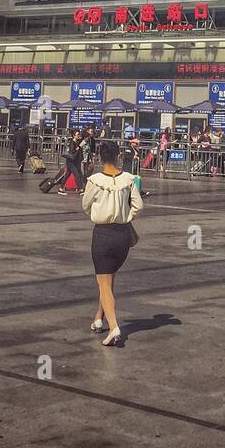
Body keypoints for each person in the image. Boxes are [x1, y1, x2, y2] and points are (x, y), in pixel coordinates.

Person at [83, 140, 143, 348]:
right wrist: (126, 215)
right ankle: (98, 318)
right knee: (108, 280)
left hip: (103, 235)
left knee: (103, 283)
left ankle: (114, 326)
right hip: (123, 235)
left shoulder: (94, 180)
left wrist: (99, 212)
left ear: (100, 158)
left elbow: (85, 204)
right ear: (118, 156)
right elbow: (139, 205)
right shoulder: (128, 179)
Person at [58, 130, 85, 196]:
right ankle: (80, 189)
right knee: (77, 175)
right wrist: (79, 147)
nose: (78, 136)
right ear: (74, 136)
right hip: (70, 162)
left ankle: (61, 188)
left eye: (79, 134)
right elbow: (72, 152)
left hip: (73, 162)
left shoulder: (76, 142)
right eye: (77, 135)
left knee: (67, 175)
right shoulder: (72, 143)